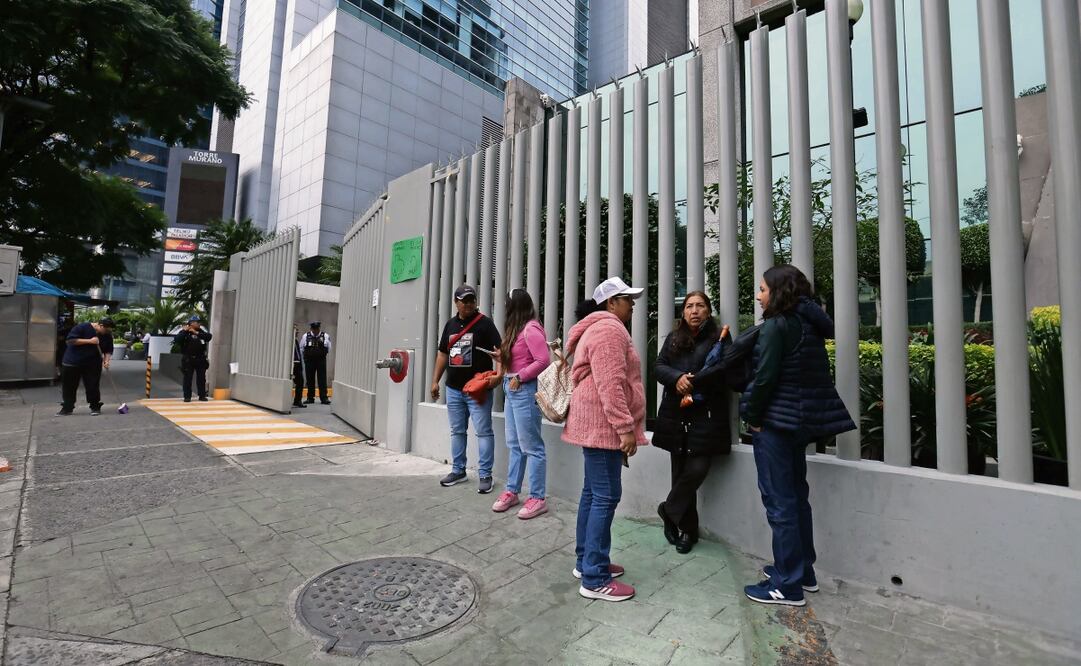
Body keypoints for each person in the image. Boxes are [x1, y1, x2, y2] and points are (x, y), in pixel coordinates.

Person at [742, 265, 856, 607]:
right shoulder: (808, 324)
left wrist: (752, 416)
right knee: (796, 496)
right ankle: (801, 571)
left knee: (780, 503)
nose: (759, 295)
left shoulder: (777, 326)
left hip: (776, 424)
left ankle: (786, 585)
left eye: (762, 289)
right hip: (799, 423)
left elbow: (765, 378)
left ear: (778, 291)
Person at [562, 277, 648, 602]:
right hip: (603, 425)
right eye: (627, 298)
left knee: (593, 493)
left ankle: (587, 561)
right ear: (611, 303)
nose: (632, 304)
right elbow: (611, 383)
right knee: (606, 496)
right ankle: (595, 578)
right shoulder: (610, 329)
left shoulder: (595, 328)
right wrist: (625, 428)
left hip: (595, 424)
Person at [653, 291, 732, 555]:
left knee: (697, 469)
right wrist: (677, 378)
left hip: (706, 413)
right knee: (679, 471)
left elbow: (724, 370)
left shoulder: (719, 337)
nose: (694, 311)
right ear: (683, 312)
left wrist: (694, 381)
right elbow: (659, 366)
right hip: (677, 414)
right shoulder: (674, 338)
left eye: (700, 306)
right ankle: (687, 531)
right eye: (689, 306)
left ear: (708, 311)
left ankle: (668, 509)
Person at [430, 284, 502, 493]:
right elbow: (443, 353)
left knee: (484, 432)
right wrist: (435, 380)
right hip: (453, 389)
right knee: (457, 431)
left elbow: (500, 351)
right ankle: (458, 470)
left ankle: (485, 474)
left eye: (472, 300)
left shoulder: (486, 324)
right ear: (456, 302)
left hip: (478, 390)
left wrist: (498, 376)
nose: (469, 303)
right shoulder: (450, 325)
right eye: (465, 300)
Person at [489, 289, 551, 519]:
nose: (504, 307)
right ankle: (512, 491)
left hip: (523, 389)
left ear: (515, 306)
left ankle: (537, 497)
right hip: (512, 387)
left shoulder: (531, 328)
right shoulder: (517, 330)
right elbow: (520, 358)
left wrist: (520, 376)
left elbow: (543, 360)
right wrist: (501, 358)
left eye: (507, 303)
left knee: (532, 446)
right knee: (514, 444)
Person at [57, 317, 115, 416]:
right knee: (69, 386)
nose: (106, 332)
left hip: (93, 363)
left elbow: (108, 349)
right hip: (72, 362)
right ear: (100, 325)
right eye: (106, 330)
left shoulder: (107, 335)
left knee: (93, 385)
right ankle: (67, 407)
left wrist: (106, 360)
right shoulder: (82, 327)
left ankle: (95, 406)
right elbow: (70, 341)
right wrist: (90, 341)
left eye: (109, 331)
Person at [174, 315, 213, 402]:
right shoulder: (185, 332)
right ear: (191, 323)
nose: (199, 324)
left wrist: (196, 333)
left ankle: (202, 395)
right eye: (197, 322)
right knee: (187, 378)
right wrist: (185, 331)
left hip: (200, 359)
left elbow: (209, 337)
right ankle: (187, 396)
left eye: (199, 322)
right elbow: (177, 339)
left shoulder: (200, 331)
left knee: (201, 378)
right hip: (188, 359)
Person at [301, 321, 332, 404]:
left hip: (321, 360)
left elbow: (329, 348)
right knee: (310, 379)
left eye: (317, 329)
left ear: (319, 328)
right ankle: (310, 398)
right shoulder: (305, 336)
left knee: (322, 379)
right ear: (311, 329)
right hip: (309, 361)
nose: (315, 331)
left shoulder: (325, 336)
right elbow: (302, 348)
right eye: (314, 329)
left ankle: (324, 398)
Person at [292, 325, 306, 408]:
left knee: (300, 382)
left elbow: (299, 354)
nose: (297, 332)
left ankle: (297, 400)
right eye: (296, 331)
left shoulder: (296, 341)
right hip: (292, 364)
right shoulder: (289, 341)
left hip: (298, 364)